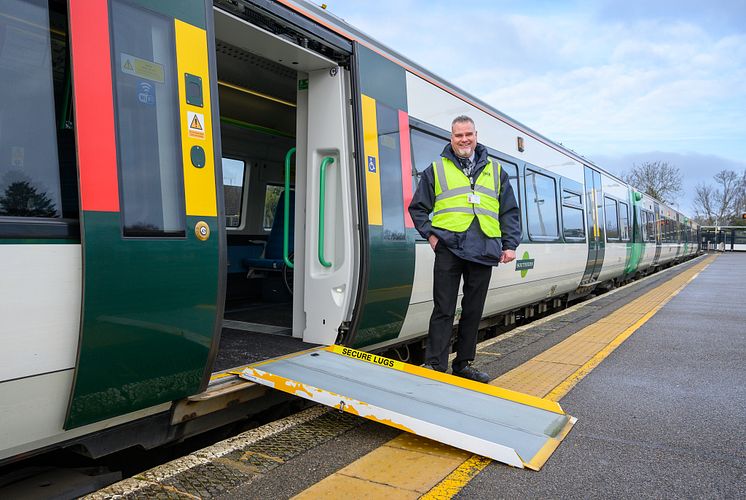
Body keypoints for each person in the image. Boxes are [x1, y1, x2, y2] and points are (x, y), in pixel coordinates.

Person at [408, 115, 520, 383]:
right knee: (443, 308)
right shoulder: (436, 169)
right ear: (451, 138)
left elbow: (509, 211)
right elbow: (418, 208)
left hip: (483, 249)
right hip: (449, 248)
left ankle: (464, 364)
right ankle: (435, 364)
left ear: (476, 136)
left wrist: (510, 244)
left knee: (473, 310)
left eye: (468, 134)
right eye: (458, 135)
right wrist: (432, 237)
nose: (464, 139)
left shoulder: (496, 171)